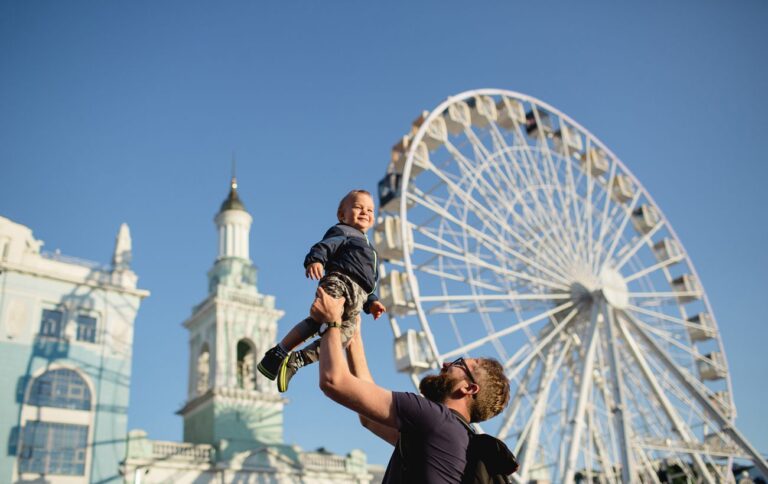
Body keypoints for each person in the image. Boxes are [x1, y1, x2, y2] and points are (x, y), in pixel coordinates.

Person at [311, 286, 513, 484]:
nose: (445, 364)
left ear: (468, 388)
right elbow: (369, 418)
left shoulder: (434, 418)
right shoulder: (459, 442)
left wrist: (331, 321)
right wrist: (353, 334)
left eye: (458, 363)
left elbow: (334, 381)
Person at [257, 189, 386, 392]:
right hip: (340, 280)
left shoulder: (372, 250)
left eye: (370, 210)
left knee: (344, 336)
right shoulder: (344, 231)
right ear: (342, 215)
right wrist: (315, 260)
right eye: (358, 207)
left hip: (359, 296)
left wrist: (373, 302)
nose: (365, 212)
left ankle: (297, 360)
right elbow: (325, 246)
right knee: (319, 319)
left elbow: (369, 282)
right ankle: (278, 353)